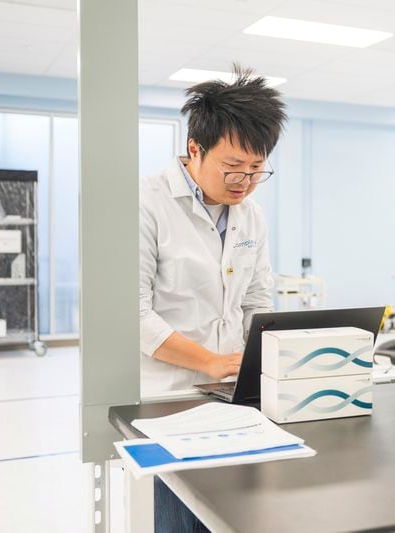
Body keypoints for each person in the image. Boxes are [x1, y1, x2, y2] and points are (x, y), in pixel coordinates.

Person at [138, 65, 286, 532]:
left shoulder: (252, 216)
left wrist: (267, 355)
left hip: (237, 396)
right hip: (170, 397)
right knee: (185, 518)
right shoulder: (145, 203)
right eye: (233, 167)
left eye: (257, 169)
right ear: (194, 149)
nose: (245, 180)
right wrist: (209, 362)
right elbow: (130, 314)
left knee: (237, 517)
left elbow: (257, 298)